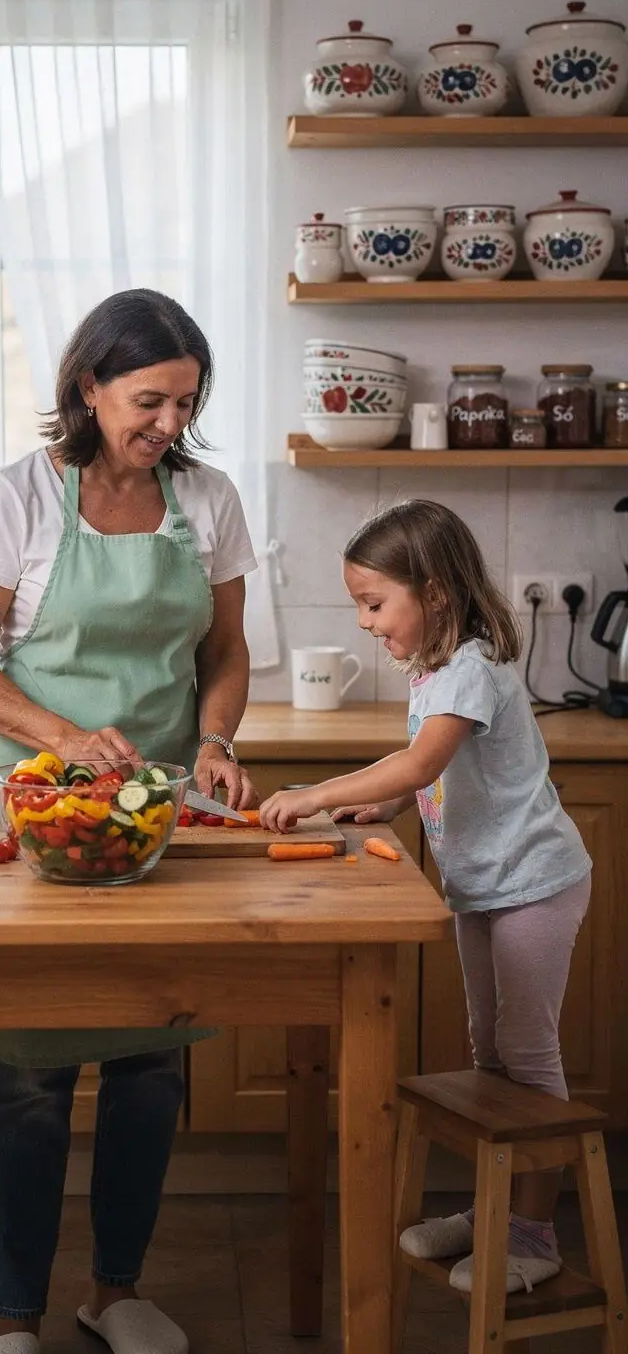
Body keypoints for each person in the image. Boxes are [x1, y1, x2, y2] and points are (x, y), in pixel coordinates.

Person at [0, 288, 258, 1354]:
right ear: (89, 385)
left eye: (186, 403)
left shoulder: (207, 499)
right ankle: (11, 1317)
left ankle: (115, 1292)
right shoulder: (17, 496)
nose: (170, 422)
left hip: (156, 816)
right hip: (35, 817)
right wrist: (64, 738)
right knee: (31, 1074)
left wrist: (215, 740)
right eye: (149, 399)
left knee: (150, 1064)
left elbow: (226, 653)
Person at [259, 499, 591, 1296]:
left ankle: (534, 1235)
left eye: (375, 604)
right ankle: (494, 1211)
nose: (366, 623)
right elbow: (435, 771)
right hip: (485, 887)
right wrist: (388, 803)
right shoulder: (436, 670)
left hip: (534, 886)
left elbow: (418, 762)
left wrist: (317, 794)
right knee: (492, 1055)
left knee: (529, 1059)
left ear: (435, 592)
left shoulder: (471, 666)